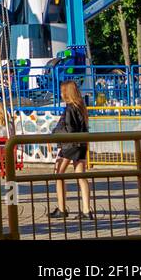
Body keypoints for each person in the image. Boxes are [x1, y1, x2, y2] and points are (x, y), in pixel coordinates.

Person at [51, 79, 93, 220]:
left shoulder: (69, 108)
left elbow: (68, 129)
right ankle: (87, 210)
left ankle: (62, 208)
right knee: (81, 176)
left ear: (66, 93)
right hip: (81, 144)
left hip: (69, 146)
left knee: (58, 174)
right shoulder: (81, 106)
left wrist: (55, 132)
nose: (61, 94)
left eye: (63, 92)